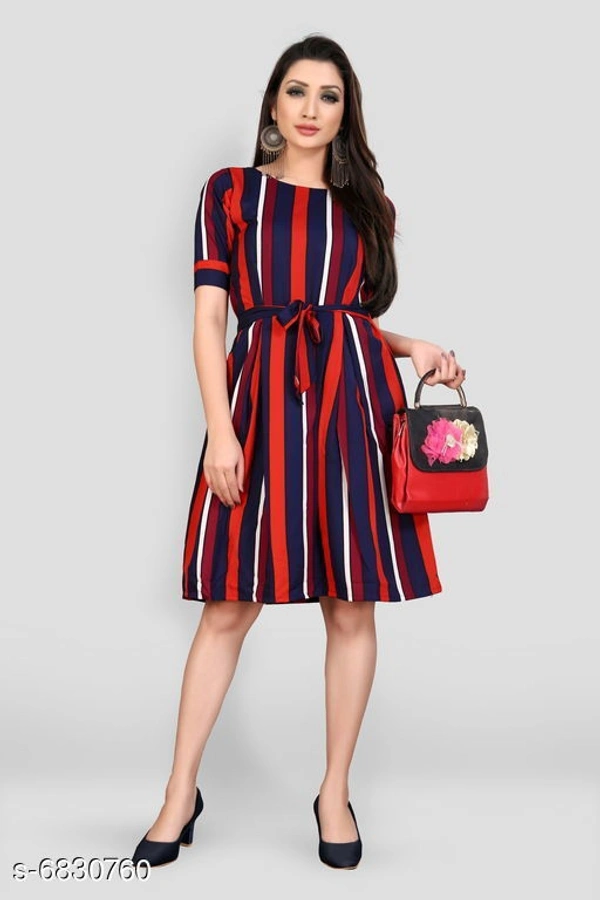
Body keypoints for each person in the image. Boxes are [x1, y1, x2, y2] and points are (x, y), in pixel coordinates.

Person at [132, 33, 466, 871]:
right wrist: (220, 428)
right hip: (260, 407)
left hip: (354, 407)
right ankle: (179, 793)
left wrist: (412, 346)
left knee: (352, 605)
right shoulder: (230, 192)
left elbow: (350, 320)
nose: (312, 109)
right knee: (228, 605)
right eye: (297, 91)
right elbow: (213, 317)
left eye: (329, 95)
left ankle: (334, 791)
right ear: (273, 105)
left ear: (346, 113)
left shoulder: (368, 207)